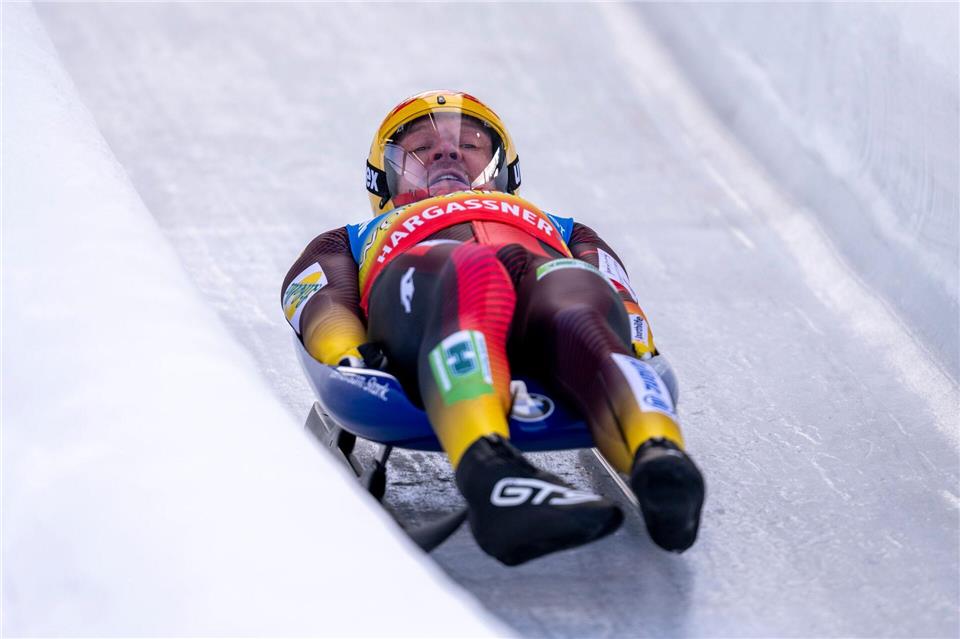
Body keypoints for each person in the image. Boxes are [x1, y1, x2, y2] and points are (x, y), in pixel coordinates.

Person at [282, 90, 705, 565]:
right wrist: (348, 352)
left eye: (471, 144)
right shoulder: (350, 239)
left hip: (536, 296)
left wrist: (637, 339)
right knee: (467, 269)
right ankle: (490, 473)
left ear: (504, 168)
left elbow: (614, 287)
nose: (447, 151)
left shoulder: (565, 228)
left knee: (572, 289)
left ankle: (659, 459)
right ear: (384, 176)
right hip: (427, 297)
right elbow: (316, 299)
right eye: (422, 147)